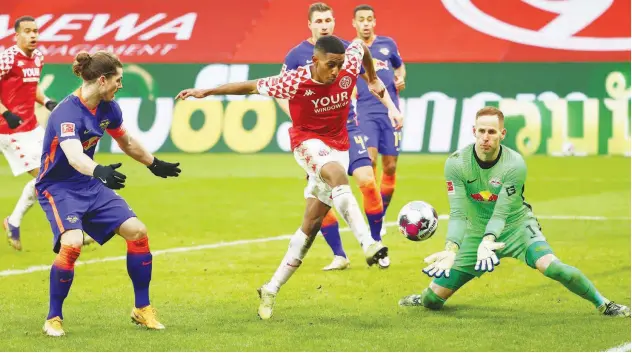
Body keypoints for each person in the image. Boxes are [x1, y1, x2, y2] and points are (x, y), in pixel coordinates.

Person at [176, 35, 402, 320]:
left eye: (339, 65)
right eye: (330, 65)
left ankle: (270, 288)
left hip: (339, 144)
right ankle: (368, 243)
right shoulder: (293, 81)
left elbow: (361, 46)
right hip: (307, 143)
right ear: (315, 61)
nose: (336, 71)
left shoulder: (348, 65)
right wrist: (206, 92)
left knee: (310, 227)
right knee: (337, 177)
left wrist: (371, 78)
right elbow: (249, 86)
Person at [398, 106, 630, 318]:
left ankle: (604, 304)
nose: (485, 137)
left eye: (491, 131)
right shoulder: (456, 164)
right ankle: (425, 296)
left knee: (554, 268)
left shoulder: (514, 165)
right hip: (476, 233)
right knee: (432, 301)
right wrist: (451, 248)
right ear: (473, 131)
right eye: (481, 131)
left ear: (502, 134)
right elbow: (458, 213)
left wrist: (490, 240)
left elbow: (501, 213)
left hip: (517, 228)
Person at [38, 51, 181, 336]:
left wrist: (153, 163)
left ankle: (142, 309)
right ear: (102, 80)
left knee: (137, 231)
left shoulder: (109, 108)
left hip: (89, 184)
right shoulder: (66, 112)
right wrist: (99, 170)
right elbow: (74, 155)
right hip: (59, 187)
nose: (120, 85)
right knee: (73, 243)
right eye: (118, 80)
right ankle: (53, 318)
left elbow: (125, 140)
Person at [278, 2, 391, 270]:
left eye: (328, 20)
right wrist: (297, 117)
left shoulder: (344, 49)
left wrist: (391, 105)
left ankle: (375, 244)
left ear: (334, 21)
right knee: (323, 195)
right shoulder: (296, 55)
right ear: (310, 25)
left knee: (366, 180)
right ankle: (339, 254)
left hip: (347, 127)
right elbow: (281, 91)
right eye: (319, 21)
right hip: (314, 137)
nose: (324, 25)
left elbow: (368, 74)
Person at [0, 16, 59, 250]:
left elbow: (31, 86)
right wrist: (5, 113)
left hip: (32, 127)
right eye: (27, 31)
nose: (33, 35)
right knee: (48, 177)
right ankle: (69, 230)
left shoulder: (38, 57)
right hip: (10, 131)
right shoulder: (7, 58)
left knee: (52, 173)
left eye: (35, 31)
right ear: (16, 35)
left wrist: (46, 101)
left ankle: (13, 222)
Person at [352, 4, 407, 237]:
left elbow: (399, 65)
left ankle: (380, 215)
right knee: (370, 161)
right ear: (354, 23)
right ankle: (373, 217)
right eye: (361, 20)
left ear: (374, 22)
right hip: (365, 112)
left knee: (390, 166)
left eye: (369, 19)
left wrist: (400, 77)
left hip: (389, 110)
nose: (365, 23)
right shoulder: (351, 50)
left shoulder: (388, 44)